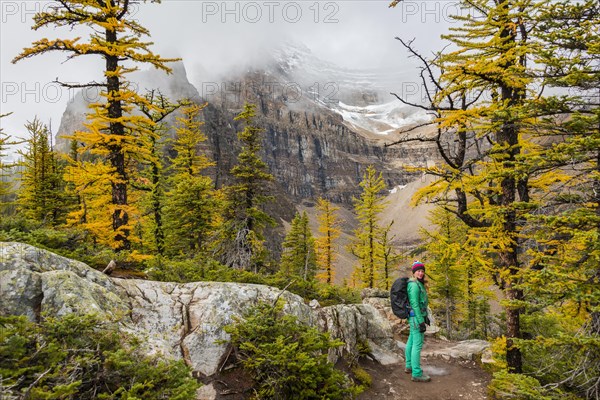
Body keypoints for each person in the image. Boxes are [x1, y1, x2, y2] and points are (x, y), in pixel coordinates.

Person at [404, 260, 431, 382]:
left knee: (411, 340)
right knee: (417, 344)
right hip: (416, 318)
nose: (420, 273)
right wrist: (421, 321)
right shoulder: (414, 285)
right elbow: (415, 304)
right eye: (418, 271)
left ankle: (409, 366)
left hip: (414, 317)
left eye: (422, 271)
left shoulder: (415, 283)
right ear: (414, 272)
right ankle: (416, 373)